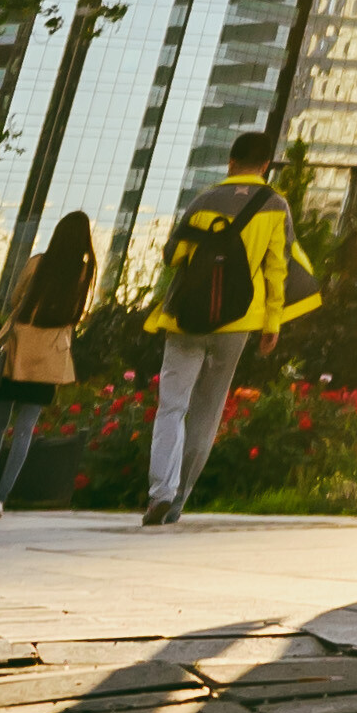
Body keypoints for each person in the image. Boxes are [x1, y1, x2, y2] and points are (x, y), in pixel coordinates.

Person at [145, 128, 305, 524]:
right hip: (238, 322)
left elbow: (174, 255)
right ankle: (180, 499)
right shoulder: (275, 205)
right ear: (265, 165)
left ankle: (159, 493)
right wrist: (272, 322)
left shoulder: (204, 199)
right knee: (207, 409)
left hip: (186, 319)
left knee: (172, 406)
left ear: (230, 162)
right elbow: (277, 267)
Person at [0, 217, 95, 511]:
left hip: (18, 348)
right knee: (25, 430)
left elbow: (17, 298)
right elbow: (81, 311)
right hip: (50, 355)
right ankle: (1, 499)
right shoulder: (83, 272)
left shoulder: (37, 262)